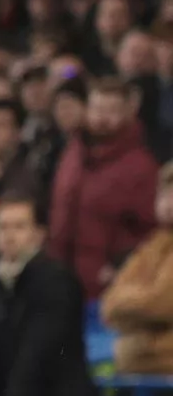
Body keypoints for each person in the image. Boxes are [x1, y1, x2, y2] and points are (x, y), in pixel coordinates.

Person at [0, 195, 98, 396]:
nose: (9, 236)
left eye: (19, 227)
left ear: (39, 234)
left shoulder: (56, 281)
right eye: (2, 227)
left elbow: (38, 355)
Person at [48, 76, 158, 298]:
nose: (102, 118)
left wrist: (121, 266)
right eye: (97, 108)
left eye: (112, 110)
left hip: (107, 289)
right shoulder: (73, 151)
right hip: (61, 282)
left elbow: (151, 232)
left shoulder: (142, 167)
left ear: (129, 112)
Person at [100, 162, 173, 375]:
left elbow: (162, 303)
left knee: (127, 350)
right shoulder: (154, 245)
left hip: (155, 360)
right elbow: (110, 303)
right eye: (165, 194)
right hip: (151, 357)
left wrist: (132, 301)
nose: (169, 203)